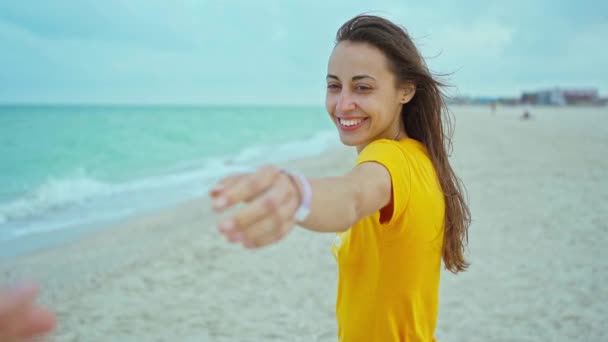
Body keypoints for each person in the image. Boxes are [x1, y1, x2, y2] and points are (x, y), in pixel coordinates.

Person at [210, 14, 471, 341]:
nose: (343, 104)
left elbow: (352, 197)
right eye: (334, 85)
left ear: (405, 91)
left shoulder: (388, 158)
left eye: (362, 87)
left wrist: (297, 193)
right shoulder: (420, 157)